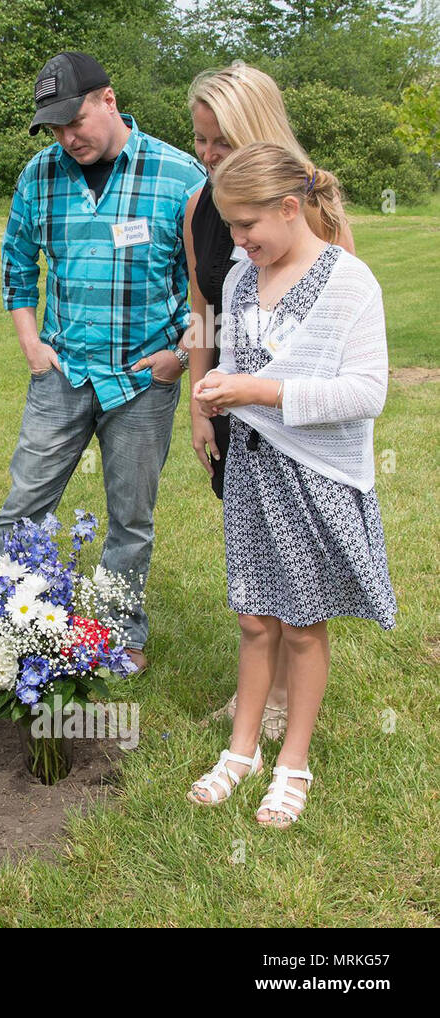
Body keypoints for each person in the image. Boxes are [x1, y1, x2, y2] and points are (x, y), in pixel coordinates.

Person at [186, 142, 395, 827]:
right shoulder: (244, 278)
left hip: (315, 476)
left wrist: (260, 390)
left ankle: (292, 761)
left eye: (248, 226)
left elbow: (367, 391)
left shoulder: (349, 282)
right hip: (252, 469)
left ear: (290, 206)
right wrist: (218, 394)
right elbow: (237, 360)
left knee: (303, 624)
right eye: (232, 228)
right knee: (253, 616)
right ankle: (240, 749)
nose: (238, 242)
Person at [0, 52, 206, 671]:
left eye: (74, 120)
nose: (67, 137)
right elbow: (16, 264)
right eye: (54, 127)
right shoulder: (40, 176)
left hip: (143, 381)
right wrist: (32, 343)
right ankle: (7, 626)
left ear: (108, 99)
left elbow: (210, 282)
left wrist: (181, 357)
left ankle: (116, 636)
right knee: (24, 509)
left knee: (130, 517)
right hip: (63, 375)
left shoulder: (180, 175)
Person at [184, 63, 356, 739]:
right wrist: (200, 403)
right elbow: (200, 308)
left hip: (294, 413)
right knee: (254, 555)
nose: (207, 155)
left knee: (294, 557)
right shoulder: (202, 207)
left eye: (220, 140)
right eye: (199, 140)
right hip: (233, 410)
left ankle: (284, 695)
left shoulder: (308, 201)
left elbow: (340, 326)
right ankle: (260, 693)